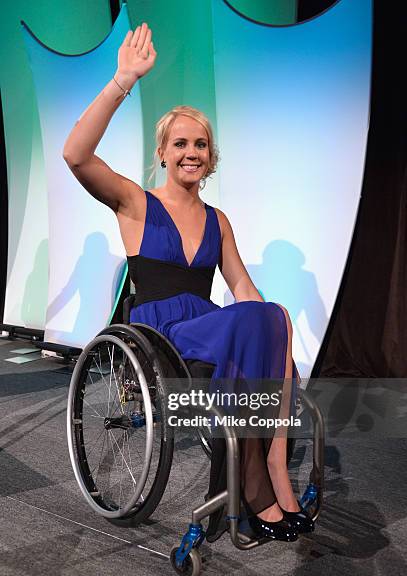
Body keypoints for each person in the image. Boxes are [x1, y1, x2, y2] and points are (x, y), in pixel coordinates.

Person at [63, 23, 314, 542]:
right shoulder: (136, 203)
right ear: (162, 152)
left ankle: (270, 471)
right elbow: (76, 156)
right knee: (264, 324)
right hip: (161, 335)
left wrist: (277, 331)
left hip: (207, 325)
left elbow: (243, 286)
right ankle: (261, 485)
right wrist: (122, 81)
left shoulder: (218, 220)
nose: (191, 152)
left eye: (201, 144)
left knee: (274, 316)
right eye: (180, 144)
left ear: (211, 157)